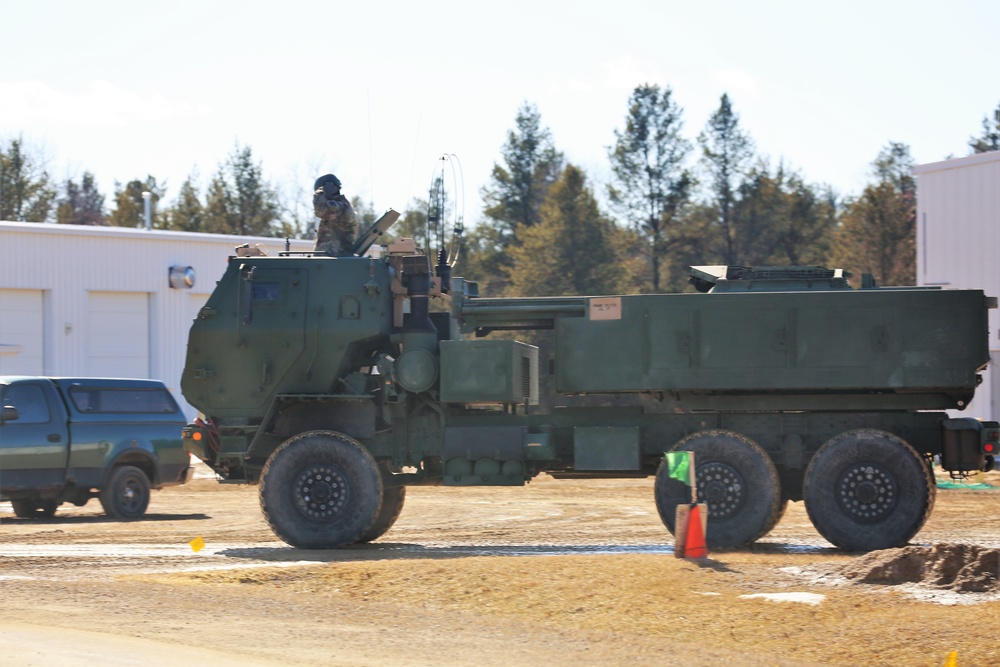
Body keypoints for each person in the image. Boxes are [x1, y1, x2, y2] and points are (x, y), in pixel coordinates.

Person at [312, 173, 359, 256]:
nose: (321, 195)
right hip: (328, 261)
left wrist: (322, 194)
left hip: (335, 261)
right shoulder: (337, 207)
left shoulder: (342, 208)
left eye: (322, 192)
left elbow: (320, 210)